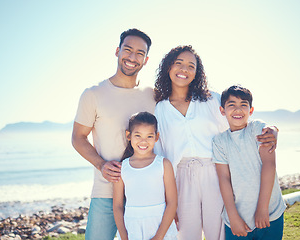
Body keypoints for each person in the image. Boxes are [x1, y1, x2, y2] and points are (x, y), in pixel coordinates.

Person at [153, 45, 278, 240]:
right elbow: (160, 154)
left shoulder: (211, 99)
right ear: (168, 67)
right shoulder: (160, 109)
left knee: (218, 234)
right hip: (181, 177)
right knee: (186, 234)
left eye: (190, 66)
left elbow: (240, 121)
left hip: (215, 172)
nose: (184, 69)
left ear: (197, 73)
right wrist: (167, 199)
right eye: (178, 63)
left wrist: (273, 130)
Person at [72, 29, 155, 240]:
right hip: (106, 191)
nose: (132, 57)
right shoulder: (93, 94)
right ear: (117, 51)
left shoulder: (153, 95)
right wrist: (101, 164)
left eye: (139, 53)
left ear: (146, 60)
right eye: (127, 50)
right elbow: (78, 137)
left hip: (146, 192)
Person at [212, 85, 286, 240]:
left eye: (243, 105)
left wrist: (262, 208)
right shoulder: (219, 141)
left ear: (251, 111)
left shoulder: (257, 128)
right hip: (239, 217)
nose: (238, 110)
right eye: (231, 105)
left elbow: (269, 165)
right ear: (222, 111)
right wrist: (232, 216)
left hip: (270, 212)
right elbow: (224, 179)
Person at [113, 111, 178, 240]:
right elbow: (118, 205)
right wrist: (124, 236)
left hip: (160, 227)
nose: (143, 141)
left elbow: (172, 202)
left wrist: (159, 236)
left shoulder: (164, 164)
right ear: (128, 135)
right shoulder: (122, 168)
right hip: (133, 227)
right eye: (138, 135)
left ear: (156, 137)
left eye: (149, 136)